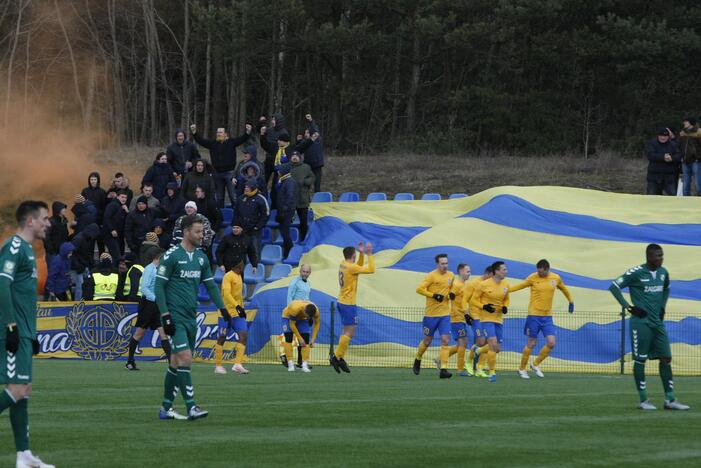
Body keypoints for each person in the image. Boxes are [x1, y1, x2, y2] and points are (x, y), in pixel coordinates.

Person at [155, 214, 231, 420]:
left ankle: (165, 408)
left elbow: (211, 286)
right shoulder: (171, 256)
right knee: (186, 358)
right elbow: (158, 286)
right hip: (174, 316)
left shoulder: (201, 258)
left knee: (175, 362)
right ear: (186, 231)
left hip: (191, 317)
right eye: (198, 231)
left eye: (203, 231)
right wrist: (165, 315)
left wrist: (223, 309)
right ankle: (191, 406)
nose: (201, 235)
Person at [0, 201, 55, 468]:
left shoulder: (28, 251)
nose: (48, 223)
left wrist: (32, 335)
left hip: (24, 332)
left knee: (24, 390)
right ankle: (23, 456)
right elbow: (2, 284)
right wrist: (11, 326)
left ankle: (24, 455)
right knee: (17, 389)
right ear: (30, 221)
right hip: (12, 331)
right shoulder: (13, 247)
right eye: (45, 218)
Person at [608, 244, 689, 410]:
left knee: (666, 357)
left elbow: (666, 289)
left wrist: (662, 307)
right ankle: (644, 400)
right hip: (641, 323)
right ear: (649, 257)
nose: (661, 258)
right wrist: (628, 307)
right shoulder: (636, 272)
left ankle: (670, 399)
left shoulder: (663, 273)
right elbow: (614, 286)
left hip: (657, 323)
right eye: (658, 256)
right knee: (640, 359)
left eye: (662, 255)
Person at [509, 259, 574, 379]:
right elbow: (520, 285)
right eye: (537, 271)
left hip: (547, 317)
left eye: (541, 272)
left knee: (551, 343)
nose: (539, 274)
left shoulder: (555, 278)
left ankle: (535, 364)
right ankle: (522, 369)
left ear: (547, 269)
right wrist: (506, 291)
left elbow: (564, 289)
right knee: (532, 343)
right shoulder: (533, 277)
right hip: (534, 315)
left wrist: (570, 301)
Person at [329, 242, 375, 373]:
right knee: (350, 332)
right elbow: (371, 269)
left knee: (345, 332)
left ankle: (340, 357)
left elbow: (357, 266)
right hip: (349, 303)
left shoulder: (343, 263)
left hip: (341, 301)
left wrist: (361, 253)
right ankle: (336, 357)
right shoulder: (351, 267)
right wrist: (369, 253)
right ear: (353, 256)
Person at [412, 254, 459, 379]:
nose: (445, 266)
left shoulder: (451, 275)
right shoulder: (431, 275)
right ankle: (418, 358)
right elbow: (419, 289)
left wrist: (452, 294)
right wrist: (433, 295)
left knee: (445, 340)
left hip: (444, 314)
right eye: (442, 263)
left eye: (446, 263)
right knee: (427, 341)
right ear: (437, 264)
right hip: (431, 315)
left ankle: (443, 369)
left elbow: (451, 288)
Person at [125, 248, 172, 372]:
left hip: (157, 305)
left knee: (163, 333)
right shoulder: (148, 269)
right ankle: (130, 361)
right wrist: (157, 298)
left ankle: (172, 364)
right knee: (139, 334)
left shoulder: (162, 270)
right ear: (157, 258)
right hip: (147, 305)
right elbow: (144, 288)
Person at [190, 123, 252, 208]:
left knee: (233, 195)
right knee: (219, 197)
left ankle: (236, 212)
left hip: (229, 173)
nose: (219, 134)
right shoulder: (213, 143)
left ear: (225, 134)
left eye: (221, 132)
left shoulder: (231, 142)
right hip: (217, 173)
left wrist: (248, 132)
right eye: (218, 132)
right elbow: (201, 141)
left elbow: (242, 139)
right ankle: (220, 214)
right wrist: (194, 133)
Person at [470, 261, 510, 383]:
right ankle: (492, 372)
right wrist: (484, 306)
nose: (506, 271)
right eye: (504, 269)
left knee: (497, 348)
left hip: (498, 319)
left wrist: (505, 306)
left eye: (506, 269)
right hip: (486, 319)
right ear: (496, 271)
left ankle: (479, 350)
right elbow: (473, 300)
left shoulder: (506, 284)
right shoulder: (483, 285)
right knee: (492, 343)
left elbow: (506, 299)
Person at [213, 262, 248, 375]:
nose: (243, 267)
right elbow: (226, 295)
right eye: (242, 265)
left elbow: (239, 296)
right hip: (225, 313)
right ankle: (218, 365)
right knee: (222, 337)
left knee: (243, 335)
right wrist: (237, 306)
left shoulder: (239, 276)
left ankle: (237, 364)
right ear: (238, 265)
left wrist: (242, 308)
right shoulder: (228, 276)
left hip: (237, 313)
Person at [439, 263, 471, 376]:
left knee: (461, 344)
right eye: (468, 271)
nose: (469, 274)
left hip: (461, 317)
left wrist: (468, 314)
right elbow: (450, 294)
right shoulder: (456, 284)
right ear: (461, 272)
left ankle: (441, 359)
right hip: (456, 317)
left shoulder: (465, 285)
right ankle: (460, 369)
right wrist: (450, 294)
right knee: (463, 342)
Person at [281, 264, 312, 368]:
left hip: (302, 314)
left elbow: (306, 299)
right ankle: (285, 357)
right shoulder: (295, 282)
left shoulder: (308, 283)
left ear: (310, 273)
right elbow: (289, 296)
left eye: (307, 272)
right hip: (293, 312)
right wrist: (290, 311)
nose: (305, 274)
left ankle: (301, 361)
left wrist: (308, 314)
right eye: (304, 271)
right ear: (300, 271)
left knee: (304, 338)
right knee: (289, 337)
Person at [465, 266, 493, 377]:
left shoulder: (491, 285)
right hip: (475, 316)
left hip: (486, 317)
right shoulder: (473, 283)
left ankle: (480, 368)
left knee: (487, 343)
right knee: (481, 342)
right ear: (488, 273)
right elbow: (465, 300)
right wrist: (466, 314)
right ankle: (468, 362)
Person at [233, 178, 270, 258]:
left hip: (255, 231)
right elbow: (236, 212)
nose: (245, 188)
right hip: (242, 230)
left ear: (253, 188)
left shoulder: (261, 199)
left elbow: (266, 214)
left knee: (255, 252)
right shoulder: (241, 198)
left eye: (248, 187)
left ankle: (256, 268)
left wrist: (258, 226)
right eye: (245, 186)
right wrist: (236, 225)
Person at [281, 301, 320, 373]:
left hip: (302, 319)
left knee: (306, 341)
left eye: (309, 317)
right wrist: (299, 338)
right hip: (288, 317)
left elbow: (317, 324)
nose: (308, 317)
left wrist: (313, 339)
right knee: (288, 338)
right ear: (304, 310)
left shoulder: (316, 311)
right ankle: (290, 364)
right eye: (307, 316)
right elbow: (292, 324)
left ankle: (304, 365)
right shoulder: (295, 308)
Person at [645, 128, 681, 195]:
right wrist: (663, 157)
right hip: (654, 176)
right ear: (658, 136)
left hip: (669, 176)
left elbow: (678, 155)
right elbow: (650, 155)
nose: (663, 137)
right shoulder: (652, 143)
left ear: (668, 137)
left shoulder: (673, 145)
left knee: (672, 195)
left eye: (665, 136)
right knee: (651, 196)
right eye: (661, 136)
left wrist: (672, 158)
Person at [69, 223, 99, 301]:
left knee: (82, 285)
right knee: (80, 286)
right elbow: (71, 254)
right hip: (77, 266)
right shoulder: (79, 239)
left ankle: (81, 301)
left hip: (82, 265)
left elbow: (87, 254)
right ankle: (78, 304)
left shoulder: (87, 238)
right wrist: (77, 265)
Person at [289, 150, 314, 241]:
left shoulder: (306, 167)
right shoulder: (287, 167)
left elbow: (312, 178)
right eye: (293, 156)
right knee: (287, 221)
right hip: (290, 199)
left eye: (296, 156)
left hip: (302, 198)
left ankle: (303, 239)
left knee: (303, 221)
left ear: (300, 158)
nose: (295, 157)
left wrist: (305, 182)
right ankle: (290, 239)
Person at [275, 164, 297, 258]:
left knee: (285, 233)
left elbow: (290, 196)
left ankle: (290, 252)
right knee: (283, 233)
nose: (278, 172)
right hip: (281, 211)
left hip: (287, 211)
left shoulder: (289, 182)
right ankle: (287, 252)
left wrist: (285, 208)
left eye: (279, 170)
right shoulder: (283, 181)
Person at [102, 191, 129, 260]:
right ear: (117, 197)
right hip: (110, 234)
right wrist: (112, 229)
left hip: (118, 235)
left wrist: (127, 211)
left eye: (125, 197)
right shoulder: (113, 205)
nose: (124, 199)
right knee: (116, 255)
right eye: (122, 197)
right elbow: (106, 217)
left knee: (119, 254)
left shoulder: (122, 206)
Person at [43, 201, 69, 273]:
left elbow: (65, 236)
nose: (64, 210)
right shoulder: (51, 222)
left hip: (62, 253)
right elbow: (46, 237)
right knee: (53, 273)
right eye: (62, 208)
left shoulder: (64, 222)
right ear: (58, 210)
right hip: (53, 254)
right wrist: (51, 250)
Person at [678, 117, 701, 196]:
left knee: (698, 184)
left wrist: (698, 158)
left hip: (696, 161)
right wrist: (681, 157)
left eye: (686, 122)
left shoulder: (699, 132)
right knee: (685, 184)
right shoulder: (682, 133)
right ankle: (686, 201)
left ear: (691, 123)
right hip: (685, 161)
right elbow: (680, 146)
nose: (684, 123)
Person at [303, 114, 324, 192]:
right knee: (306, 184)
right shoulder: (305, 142)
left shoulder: (316, 140)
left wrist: (311, 121)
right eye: (305, 133)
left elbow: (315, 130)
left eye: (307, 132)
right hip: (307, 165)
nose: (306, 134)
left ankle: (317, 198)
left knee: (317, 185)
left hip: (317, 164)